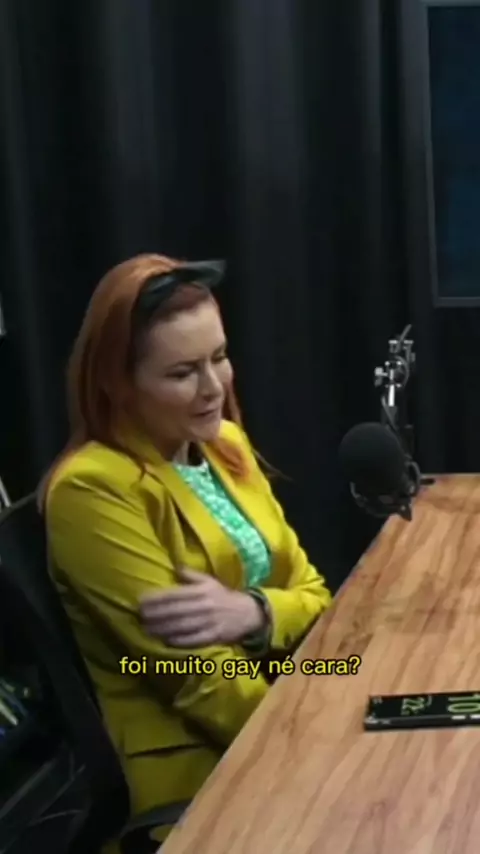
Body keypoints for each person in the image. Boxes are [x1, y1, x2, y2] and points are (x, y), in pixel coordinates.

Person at [40, 253, 332, 849]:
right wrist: (317, 744)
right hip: (200, 770)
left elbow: (317, 596)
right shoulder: (91, 490)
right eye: (182, 373)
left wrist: (256, 612)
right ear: (117, 383)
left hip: (296, 697)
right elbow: (197, 678)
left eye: (219, 357)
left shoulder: (226, 444)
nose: (214, 388)